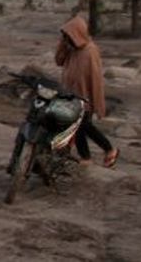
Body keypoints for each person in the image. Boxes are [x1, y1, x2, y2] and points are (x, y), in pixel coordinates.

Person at [56, 16, 119, 168]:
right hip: (70, 96)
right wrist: (63, 44)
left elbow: (94, 79)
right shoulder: (72, 49)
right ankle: (87, 156)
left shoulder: (90, 51)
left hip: (85, 98)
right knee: (76, 127)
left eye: (70, 36)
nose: (68, 39)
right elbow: (58, 61)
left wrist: (95, 103)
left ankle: (109, 149)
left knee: (82, 126)